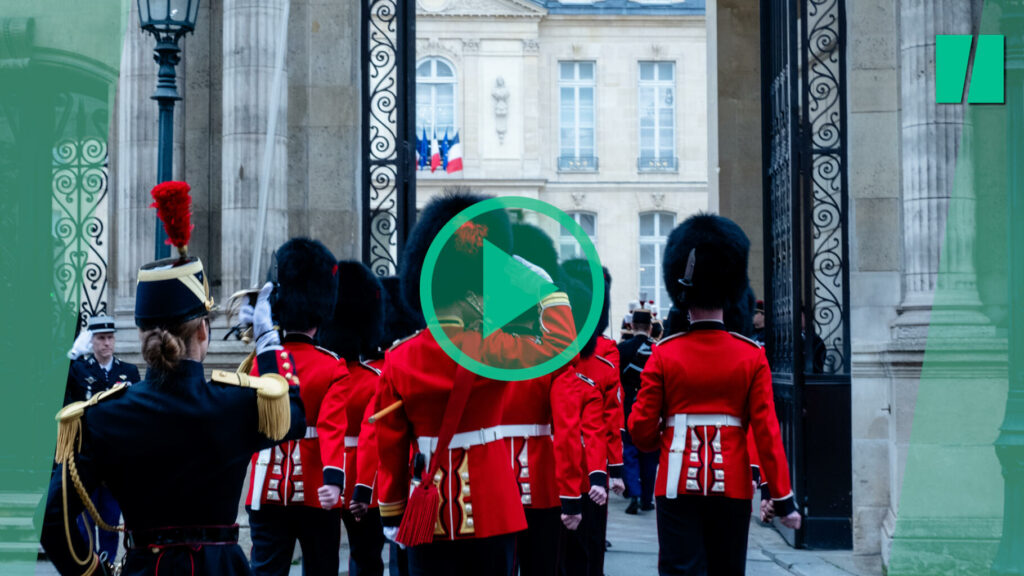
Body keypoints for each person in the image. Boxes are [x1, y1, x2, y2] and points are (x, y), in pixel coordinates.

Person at [41, 180, 306, 576]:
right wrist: (267, 340)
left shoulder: (102, 416)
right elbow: (295, 414)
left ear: (144, 335)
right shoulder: (236, 404)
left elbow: (52, 520)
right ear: (203, 331)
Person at [375, 191, 576, 576]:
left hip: (425, 515)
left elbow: (391, 446)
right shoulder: (491, 349)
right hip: (492, 507)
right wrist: (541, 286)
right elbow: (560, 345)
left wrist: (393, 509)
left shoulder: (399, 358)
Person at [628, 213, 801, 576]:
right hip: (733, 484)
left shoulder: (665, 352)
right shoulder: (751, 354)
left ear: (684, 294)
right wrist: (782, 498)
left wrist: (661, 435)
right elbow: (767, 430)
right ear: (730, 290)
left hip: (676, 480)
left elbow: (641, 429)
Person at [245, 238, 348, 576]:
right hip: (317, 490)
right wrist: (334, 478)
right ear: (319, 317)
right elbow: (333, 428)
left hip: (266, 487)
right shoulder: (332, 366)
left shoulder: (260, 363)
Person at [318, 260, 389, 576]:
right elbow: (373, 434)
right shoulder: (375, 378)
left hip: (321, 474)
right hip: (363, 478)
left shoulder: (322, 376)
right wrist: (363, 487)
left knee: (320, 558)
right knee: (366, 558)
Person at [63, 315, 142, 563]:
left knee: (109, 521)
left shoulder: (128, 371)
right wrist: (70, 359)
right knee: (84, 522)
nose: (106, 343)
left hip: (115, 461)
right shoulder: (78, 370)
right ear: (92, 341)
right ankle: (88, 567)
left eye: (110, 338)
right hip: (86, 456)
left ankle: (107, 566)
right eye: (100, 338)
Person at [618, 307, 659, 515]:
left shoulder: (622, 349)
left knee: (630, 453)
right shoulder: (658, 349)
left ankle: (633, 492)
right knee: (649, 454)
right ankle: (646, 498)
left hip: (627, 407)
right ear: (650, 328)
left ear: (632, 326)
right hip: (650, 407)